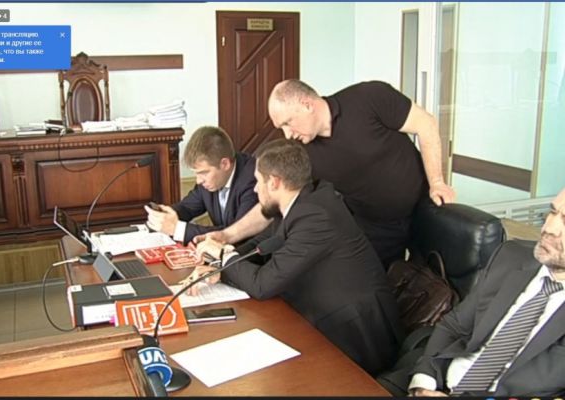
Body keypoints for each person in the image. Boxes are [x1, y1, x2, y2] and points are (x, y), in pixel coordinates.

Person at [193, 139, 404, 375]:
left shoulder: (315, 216)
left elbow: (263, 284)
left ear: (274, 182)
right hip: (319, 315)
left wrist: (224, 256)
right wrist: (219, 267)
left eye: (258, 181)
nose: (255, 189)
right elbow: (262, 245)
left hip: (354, 335)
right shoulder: (302, 201)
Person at [196, 79, 456, 268]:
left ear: (307, 104)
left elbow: (426, 124)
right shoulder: (302, 153)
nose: (287, 134)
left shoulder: (369, 97)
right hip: (376, 226)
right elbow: (271, 203)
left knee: (438, 280)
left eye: (288, 122)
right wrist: (228, 235)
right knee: (392, 288)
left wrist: (437, 182)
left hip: (423, 206)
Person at [405, 187, 565, 396]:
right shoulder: (512, 256)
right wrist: (424, 382)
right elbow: (454, 325)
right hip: (437, 380)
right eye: (552, 212)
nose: (549, 228)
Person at [145, 126, 258, 244]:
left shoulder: (252, 179)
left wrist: (178, 229)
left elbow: (237, 233)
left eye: (203, 173)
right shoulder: (211, 180)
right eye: (196, 173)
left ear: (225, 164)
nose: (198, 181)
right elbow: (187, 208)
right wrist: (165, 216)